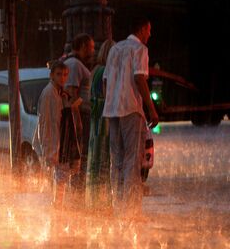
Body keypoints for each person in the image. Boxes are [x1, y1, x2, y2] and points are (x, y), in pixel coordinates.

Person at [102, 17, 159, 220]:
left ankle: (118, 206)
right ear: (143, 28)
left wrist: (110, 101)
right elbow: (139, 78)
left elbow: (105, 81)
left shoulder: (114, 49)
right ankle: (132, 210)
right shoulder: (140, 49)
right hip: (131, 109)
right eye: (149, 29)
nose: (150, 34)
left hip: (112, 110)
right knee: (132, 161)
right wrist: (152, 110)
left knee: (116, 159)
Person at [33, 60, 81, 209]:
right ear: (52, 75)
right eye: (59, 74)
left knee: (61, 175)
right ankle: (57, 205)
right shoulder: (49, 93)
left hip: (62, 139)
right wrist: (49, 148)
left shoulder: (60, 92)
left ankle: (58, 204)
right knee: (60, 175)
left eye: (65, 75)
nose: (62, 78)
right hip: (55, 141)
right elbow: (45, 122)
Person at [63, 33, 95, 200]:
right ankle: (77, 196)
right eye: (91, 47)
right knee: (79, 157)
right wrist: (78, 123)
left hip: (81, 115)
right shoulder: (74, 64)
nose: (93, 50)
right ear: (82, 46)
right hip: (80, 116)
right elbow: (71, 94)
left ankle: (77, 194)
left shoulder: (74, 63)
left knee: (79, 157)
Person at [85, 39, 115, 212]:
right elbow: (108, 93)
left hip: (95, 116)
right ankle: (104, 202)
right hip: (104, 115)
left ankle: (94, 198)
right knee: (105, 157)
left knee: (95, 157)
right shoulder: (106, 71)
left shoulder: (94, 70)